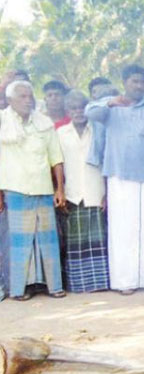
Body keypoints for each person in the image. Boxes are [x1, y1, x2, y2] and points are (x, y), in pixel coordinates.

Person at [86, 64, 144, 295]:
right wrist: (109, 102)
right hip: (119, 176)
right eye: (134, 81)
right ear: (125, 82)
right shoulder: (111, 108)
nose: (138, 86)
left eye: (141, 82)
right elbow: (89, 112)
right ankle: (124, 281)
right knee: (123, 228)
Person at [0, 80, 66, 300]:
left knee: (47, 240)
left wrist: (60, 190)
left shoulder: (44, 123)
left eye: (30, 96)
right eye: (22, 97)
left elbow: (56, 158)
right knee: (20, 243)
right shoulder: (2, 121)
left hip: (43, 188)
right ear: (10, 100)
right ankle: (21, 289)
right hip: (15, 190)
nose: (28, 101)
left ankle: (53, 286)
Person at [57, 90, 109, 293]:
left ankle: (99, 283)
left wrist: (107, 193)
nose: (78, 112)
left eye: (81, 107)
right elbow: (57, 163)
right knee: (76, 242)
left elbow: (105, 161)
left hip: (96, 190)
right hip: (73, 193)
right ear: (67, 111)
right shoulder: (61, 134)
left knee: (98, 240)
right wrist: (59, 189)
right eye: (73, 108)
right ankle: (79, 285)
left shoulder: (98, 130)